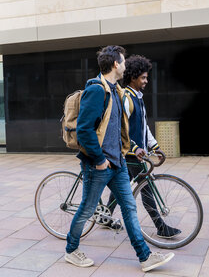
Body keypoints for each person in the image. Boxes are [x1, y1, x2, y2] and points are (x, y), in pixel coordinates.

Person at [64, 45, 174, 272]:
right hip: (99, 164)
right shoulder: (97, 90)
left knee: (129, 208)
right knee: (87, 208)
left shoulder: (115, 90)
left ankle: (145, 257)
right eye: (123, 61)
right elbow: (84, 130)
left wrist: (126, 152)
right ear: (116, 64)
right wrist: (99, 159)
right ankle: (71, 250)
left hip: (119, 163)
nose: (125, 65)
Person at [105, 54, 182, 238]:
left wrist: (154, 146)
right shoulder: (126, 98)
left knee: (120, 186)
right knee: (145, 187)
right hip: (129, 154)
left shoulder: (138, 98)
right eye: (143, 77)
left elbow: (144, 126)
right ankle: (160, 226)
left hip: (135, 153)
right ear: (133, 77)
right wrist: (133, 147)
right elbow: (119, 127)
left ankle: (106, 215)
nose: (147, 81)